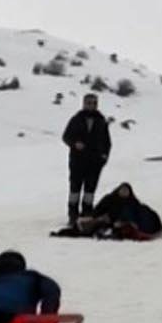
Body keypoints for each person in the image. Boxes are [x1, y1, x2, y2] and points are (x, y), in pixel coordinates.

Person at [62, 93, 112, 227]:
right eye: (89, 102)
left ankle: (87, 215)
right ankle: (73, 216)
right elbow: (66, 137)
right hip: (77, 162)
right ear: (83, 104)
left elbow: (107, 142)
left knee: (90, 191)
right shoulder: (76, 119)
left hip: (94, 163)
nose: (91, 105)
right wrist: (75, 144)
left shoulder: (102, 121)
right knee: (75, 190)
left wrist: (104, 158)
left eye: (94, 103)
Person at [67, 183, 162, 239]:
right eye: (122, 190)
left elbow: (137, 213)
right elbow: (98, 211)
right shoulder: (109, 199)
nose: (124, 193)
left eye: (126, 191)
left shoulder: (132, 202)